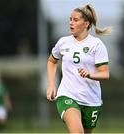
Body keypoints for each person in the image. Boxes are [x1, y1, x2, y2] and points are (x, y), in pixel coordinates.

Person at [46, 4, 111, 133]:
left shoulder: (96, 45)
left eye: (75, 20)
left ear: (86, 23)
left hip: (91, 100)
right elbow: (51, 61)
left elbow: (105, 73)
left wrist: (90, 75)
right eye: (70, 19)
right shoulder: (63, 42)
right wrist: (51, 84)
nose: (71, 23)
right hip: (67, 95)